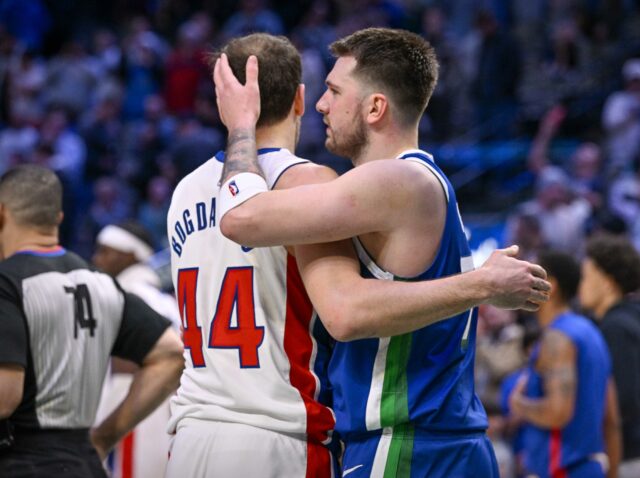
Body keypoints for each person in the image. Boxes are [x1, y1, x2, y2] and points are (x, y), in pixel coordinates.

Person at [167, 33, 551, 478]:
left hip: (407, 444)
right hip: (418, 440)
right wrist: (480, 284)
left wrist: (240, 124)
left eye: (334, 92)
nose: (321, 107)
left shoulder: (395, 181)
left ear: (374, 108)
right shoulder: (404, 181)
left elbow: (243, 220)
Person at [0, 165, 184, 478]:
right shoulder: (103, 283)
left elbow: (6, 396)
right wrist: (105, 436)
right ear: (57, 218)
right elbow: (171, 353)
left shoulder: (7, 283)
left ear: (2, 214)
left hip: (21, 463)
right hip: (85, 463)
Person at [509, 251, 621, 478]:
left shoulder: (558, 337)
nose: (520, 284)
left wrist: (519, 404)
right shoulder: (591, 332)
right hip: (592, 468)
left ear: (550, 284)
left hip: (562, 470)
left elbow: (557, 413)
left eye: (529, 277)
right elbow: (612, 421)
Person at [92, 220, 180, 478]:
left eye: (104, 251)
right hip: (165, 409)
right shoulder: (163, 298)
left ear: (128, 254)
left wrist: (100, 427)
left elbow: (126, 371)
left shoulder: (128, 294)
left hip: (137, 411)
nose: (96, 258)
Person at [579, 234, 640, 478]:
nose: (580, 285)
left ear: (607, 282)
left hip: (625, 459)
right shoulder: (624, 322)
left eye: (586, 277)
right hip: (632, 456)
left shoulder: (617, 327)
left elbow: (622, 401)